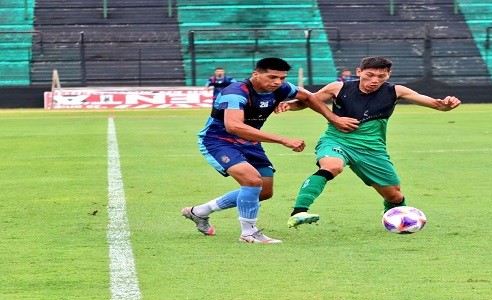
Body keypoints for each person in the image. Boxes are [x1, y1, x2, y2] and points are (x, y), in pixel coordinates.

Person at [182, 58, 357, 243]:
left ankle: (200, 212)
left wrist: (333, 118)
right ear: (256, 74)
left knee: (264, 191)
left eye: (282, 78)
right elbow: (234, 126)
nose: (277, 82)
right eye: (272, 77)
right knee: (251, 180)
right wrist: (283, 140)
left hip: (250, 142)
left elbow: (308, 97)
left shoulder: (281, 89)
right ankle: (249, 233)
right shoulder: (235, 92)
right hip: (219, 141)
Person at [285, 56, 461, 228]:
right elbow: (309, 101)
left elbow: (437, 104)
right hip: (337, 140)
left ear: (388, 75)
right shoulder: (339, 87)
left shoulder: (396, 91)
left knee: (394, 196)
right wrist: (288, 104)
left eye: (381, 76)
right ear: (359, 71)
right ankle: (299, 212)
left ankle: (395, 218)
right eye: (369, 75)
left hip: (372, 149)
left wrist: (447, 104)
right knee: (332, 166)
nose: (374, 80)